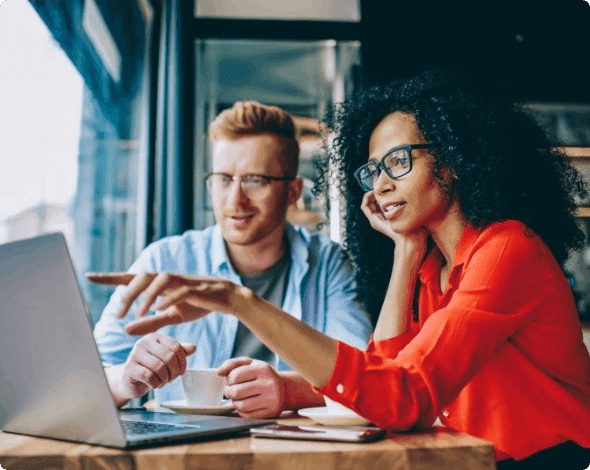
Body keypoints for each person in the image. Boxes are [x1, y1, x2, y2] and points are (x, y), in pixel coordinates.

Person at [88, 71, 590, 468]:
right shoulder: (432, 267)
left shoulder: (505, 250)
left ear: (452, 160)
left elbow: (402, 396)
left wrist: (241, 302)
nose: (380, 185)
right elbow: (386, 378)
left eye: (398, 161)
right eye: (373, 170)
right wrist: (405, 250)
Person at [92, 101, 372, 418]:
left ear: (293, 192)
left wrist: (288, 390)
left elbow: (363, 376)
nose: (235, 199)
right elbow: (86, 376)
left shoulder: (328, 263)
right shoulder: (165, 259)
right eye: (224, 179)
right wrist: (126, 380)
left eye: (255, 180)